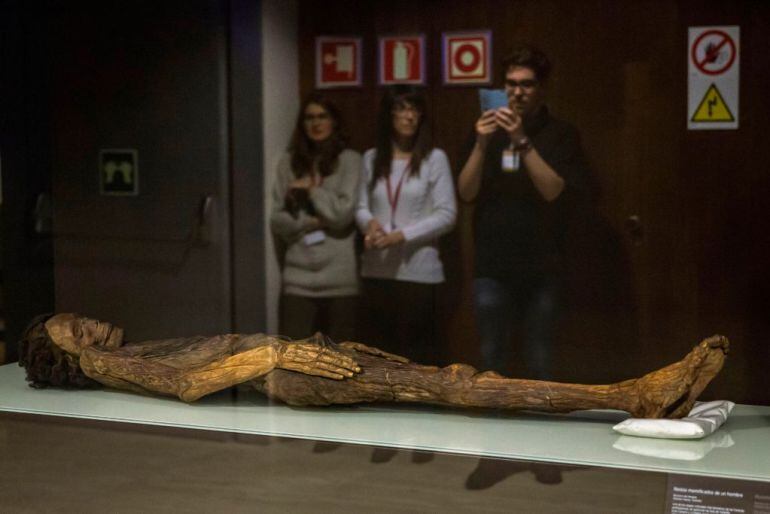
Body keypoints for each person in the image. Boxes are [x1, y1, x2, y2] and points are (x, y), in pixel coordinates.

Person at [19, 312, 729, 421]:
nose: (92, 326)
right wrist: (282, 353)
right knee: (455, 386)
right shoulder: (113, 368)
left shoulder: (124, 355)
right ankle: (631, 395)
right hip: (289, 372)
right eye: (78, 332)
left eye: (82, 319)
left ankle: (631, 394)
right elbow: (191, 385)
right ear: (73, 356)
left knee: (450, 380)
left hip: (297, 360)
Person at [457, 45, 591, 379]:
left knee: (540, 359)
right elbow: (466, 192)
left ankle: (541, 416)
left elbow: (553, 191)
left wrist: (521, 139)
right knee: (491, 357)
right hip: (492, 265)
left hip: (542, 266)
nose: (517, 92)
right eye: (511, 83)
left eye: (526, 84)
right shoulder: (485, 132)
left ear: (541, 88)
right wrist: (481, 144)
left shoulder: (560, 133)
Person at [355, 85, 457, 365]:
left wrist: (400, 235)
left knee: (418, 359)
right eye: (401, 109)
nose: (409, 116)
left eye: (414, 109)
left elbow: (447, 214)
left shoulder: (434, 158)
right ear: (389, 115)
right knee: (378, 358)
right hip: (377, 269)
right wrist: (370, 225)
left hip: (419, 274)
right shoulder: (371, 158)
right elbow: (361, 207)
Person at [270, 93, 362, 342]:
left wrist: (312, 190)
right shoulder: (288, 162)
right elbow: (277, 220)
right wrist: (308, 222)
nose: (316, 123)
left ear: (334, 121)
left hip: (340, 280)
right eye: (310, 118)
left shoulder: (350, 160)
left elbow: (342, 215)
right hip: (297, 280)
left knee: (341, 357)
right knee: (293, 355)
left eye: (322, 117)